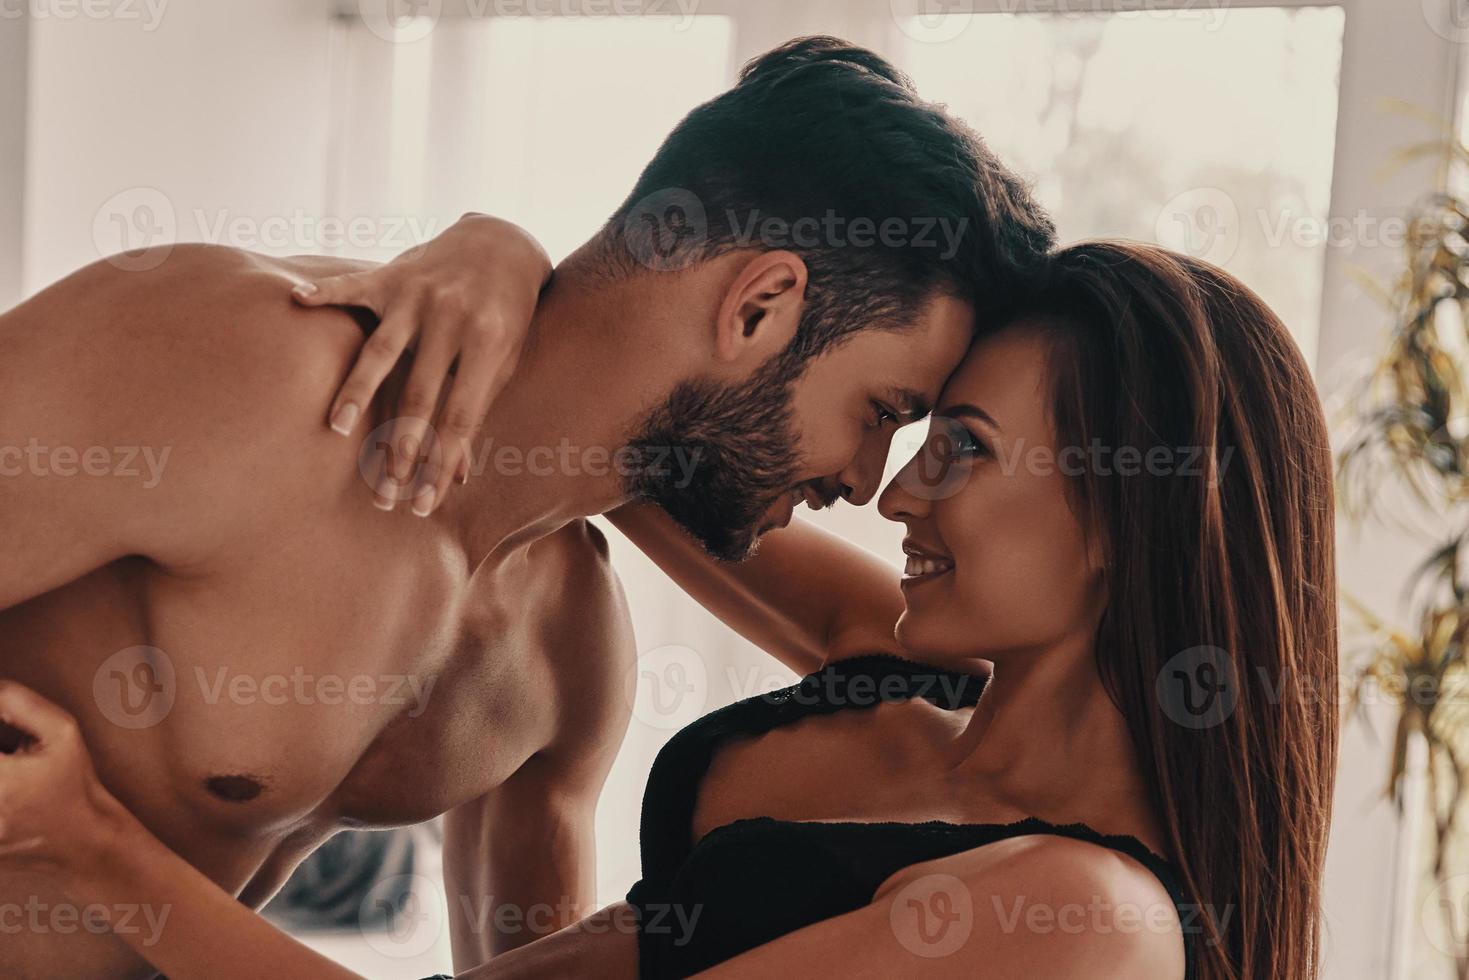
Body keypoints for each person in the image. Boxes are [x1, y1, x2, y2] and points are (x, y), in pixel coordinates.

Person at [0, 37, 1053, 979]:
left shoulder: (566, 648)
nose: (866, 480)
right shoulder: (254, 372)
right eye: (880, 410)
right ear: (759, 305)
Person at [0, 241, 1338, 980]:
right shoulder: (904, 676)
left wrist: (93, 842)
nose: (890, 496)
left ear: (1127, 513)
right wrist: (495, 257)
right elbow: (637, 425)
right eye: (901, 427)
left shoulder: (1081, 921)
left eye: (962, 446)